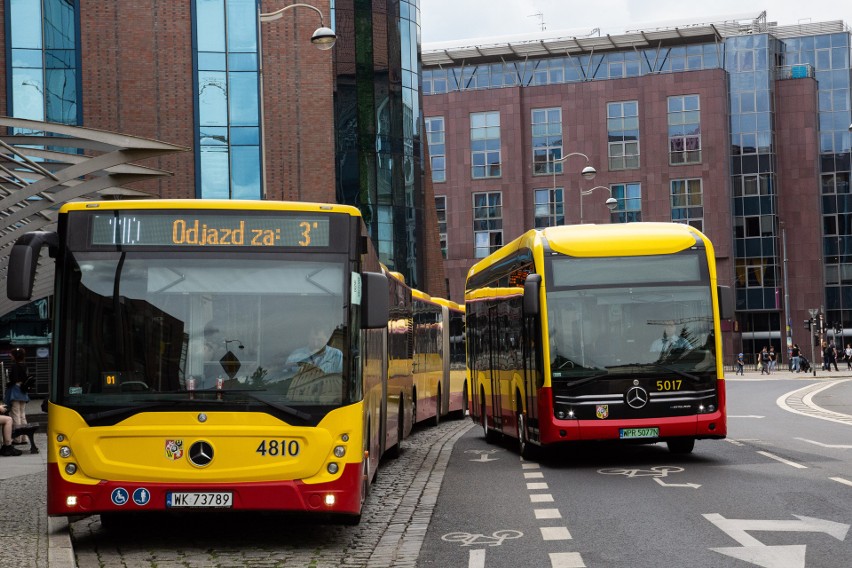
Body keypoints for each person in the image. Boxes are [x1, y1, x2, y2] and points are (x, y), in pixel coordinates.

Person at [5, 347, 30, 444]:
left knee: (15, 415)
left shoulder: (14, 366)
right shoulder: (25, 365)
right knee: (22, 415)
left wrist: (8, 383)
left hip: (15, 391)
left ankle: (17, 438)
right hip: (23, 391)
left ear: (15, 356)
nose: (10, 356)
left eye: (11, 354)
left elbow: (14, 379)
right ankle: (25, 438)